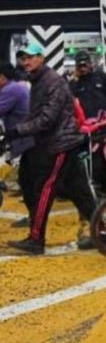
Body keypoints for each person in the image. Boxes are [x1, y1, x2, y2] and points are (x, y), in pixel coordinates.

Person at [6, 44, 97, 254]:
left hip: (59, 144)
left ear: (41, 57)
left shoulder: (52, 81)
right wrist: (13, 133)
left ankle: (36, 240)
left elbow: (47, 118)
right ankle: (101, 234)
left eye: (30, 57)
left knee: (44, 189)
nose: (26, 62)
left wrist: (18, 131)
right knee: (79, 192)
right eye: (23, 59)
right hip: (56, 143)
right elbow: (34, 115)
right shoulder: (37, 82)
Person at [68, 51, 106, 195]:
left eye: (86, 64)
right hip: (86, 127)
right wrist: (74, 80)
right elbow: (68, 101)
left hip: (105, 123)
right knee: (93, 156)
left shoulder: (101, 77)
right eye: (80, 65)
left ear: (91, 63)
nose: (83, 68)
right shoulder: (74, 82)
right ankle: (97, 185)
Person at [0, 62, 34, 223]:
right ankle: (34, 216)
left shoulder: (10, 90)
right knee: (27, 181)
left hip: (26, 141)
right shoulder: (16, 87)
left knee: (28, 182)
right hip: (26, 140)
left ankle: (35, 218)